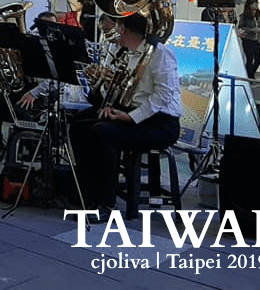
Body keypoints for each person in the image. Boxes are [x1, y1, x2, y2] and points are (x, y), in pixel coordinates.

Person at [68, 12, 182, 217]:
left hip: (161, 122)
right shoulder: (126, 53)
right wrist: (107, 98)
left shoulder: (159, 54)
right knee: (78, 124)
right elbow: (123, 91)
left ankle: (105, 203)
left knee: (101, 133)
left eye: (120, 27)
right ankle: (85, 191)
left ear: (129, 30)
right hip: (134, 114)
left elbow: (163, 96)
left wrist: (131, 117)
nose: (116, 32)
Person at [238, 0, 260, 79]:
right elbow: (241, 27)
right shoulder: (244, 16)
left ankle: (251, 74)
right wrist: (252, 30)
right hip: (248, 40)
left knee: (258, 60)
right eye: (254, 3)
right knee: (249, 59)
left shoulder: (259, 15)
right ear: (249, 5)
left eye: (257, 3)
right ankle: (249, 76)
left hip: (258, 40)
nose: (256, 5)